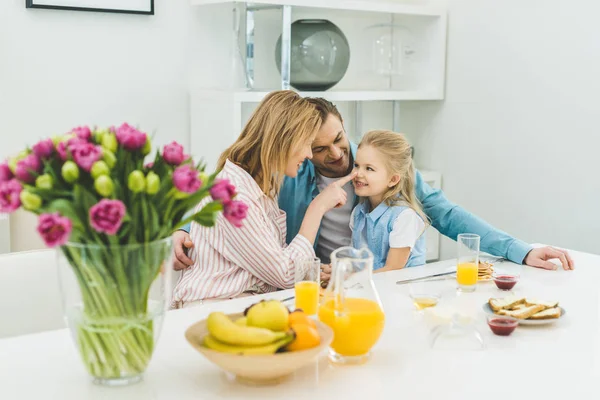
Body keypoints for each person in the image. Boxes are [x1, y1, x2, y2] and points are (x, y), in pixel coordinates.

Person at [173, 97, 574, 274]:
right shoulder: (291, 173)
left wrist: (522, 251)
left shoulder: (380, 165)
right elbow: (233, 200)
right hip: (314, 282)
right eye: (319, 148)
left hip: (377, 281)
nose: (336, 153)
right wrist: (184, 230)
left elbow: (446, 214)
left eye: (339, 138)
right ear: (299, 149)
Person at [170, 91, 355, 307]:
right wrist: (318, 206)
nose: (309, 155)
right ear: (282, 141)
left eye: (338, 138)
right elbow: (285, 274)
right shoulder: (241, 190)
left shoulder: (259, 185)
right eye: (313, 146)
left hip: (263, 297)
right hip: (220, 308)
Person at [350, 130, 427, 272]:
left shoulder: (404, 217)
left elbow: (392, 270)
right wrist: (338, 270)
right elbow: (357, 262)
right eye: (356, 165)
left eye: (369, 168)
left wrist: (350, 279)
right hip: (372, 288)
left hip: (403, 290)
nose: (358, 174)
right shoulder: (358, 213)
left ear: (393, 179)